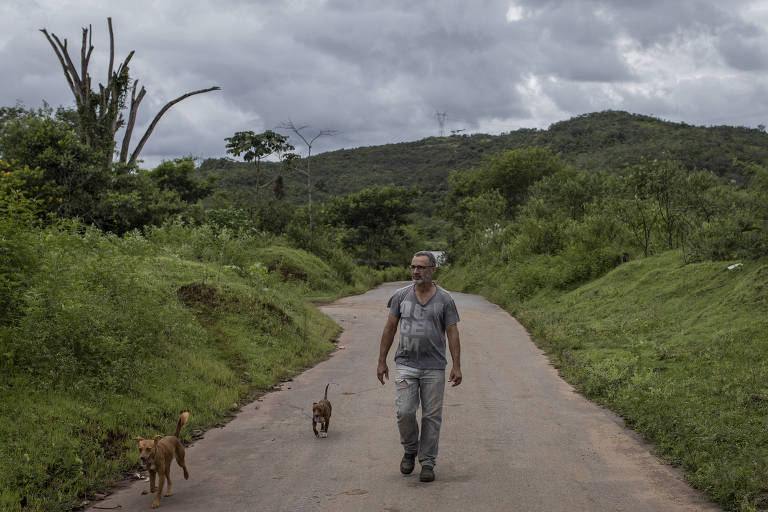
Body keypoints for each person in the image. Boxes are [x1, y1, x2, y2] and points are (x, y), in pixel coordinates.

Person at [376, 250, 462, 483]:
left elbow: (452, 332)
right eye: (413, 267)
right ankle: (410, 450)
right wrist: (382, 360)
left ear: (433, 270)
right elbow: (389, 328)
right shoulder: (400, 296)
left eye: (421, 267)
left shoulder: (445, 299)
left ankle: (427, 462)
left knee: (432, 417)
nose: (415, 271)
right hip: (406, 365)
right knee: (404, 411)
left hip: (434, 367)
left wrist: (456, 365)